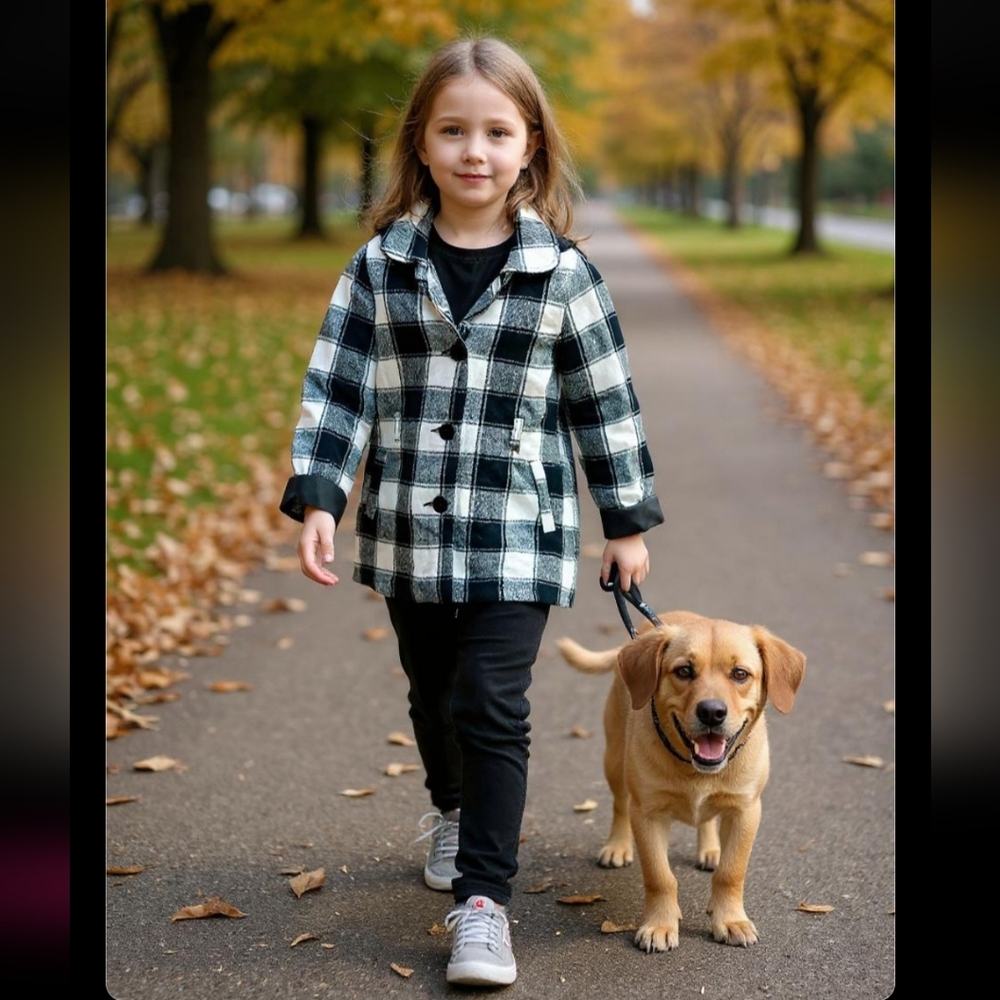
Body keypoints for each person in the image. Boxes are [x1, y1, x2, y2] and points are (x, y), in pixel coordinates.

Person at [280, 36, 664, 988]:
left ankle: (483, 905)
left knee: (494, 702)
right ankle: (452, 808)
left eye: (497, 131)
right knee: (433, 691)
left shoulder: (562, 272)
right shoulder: (381, 265)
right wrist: (322, 495)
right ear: (421, 143)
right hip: (410, 530)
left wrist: (624, 522)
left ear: (530, 144)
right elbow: (339, 387)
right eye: (453, 131)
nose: (475, 152)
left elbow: (603, 402)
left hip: (517, 535)